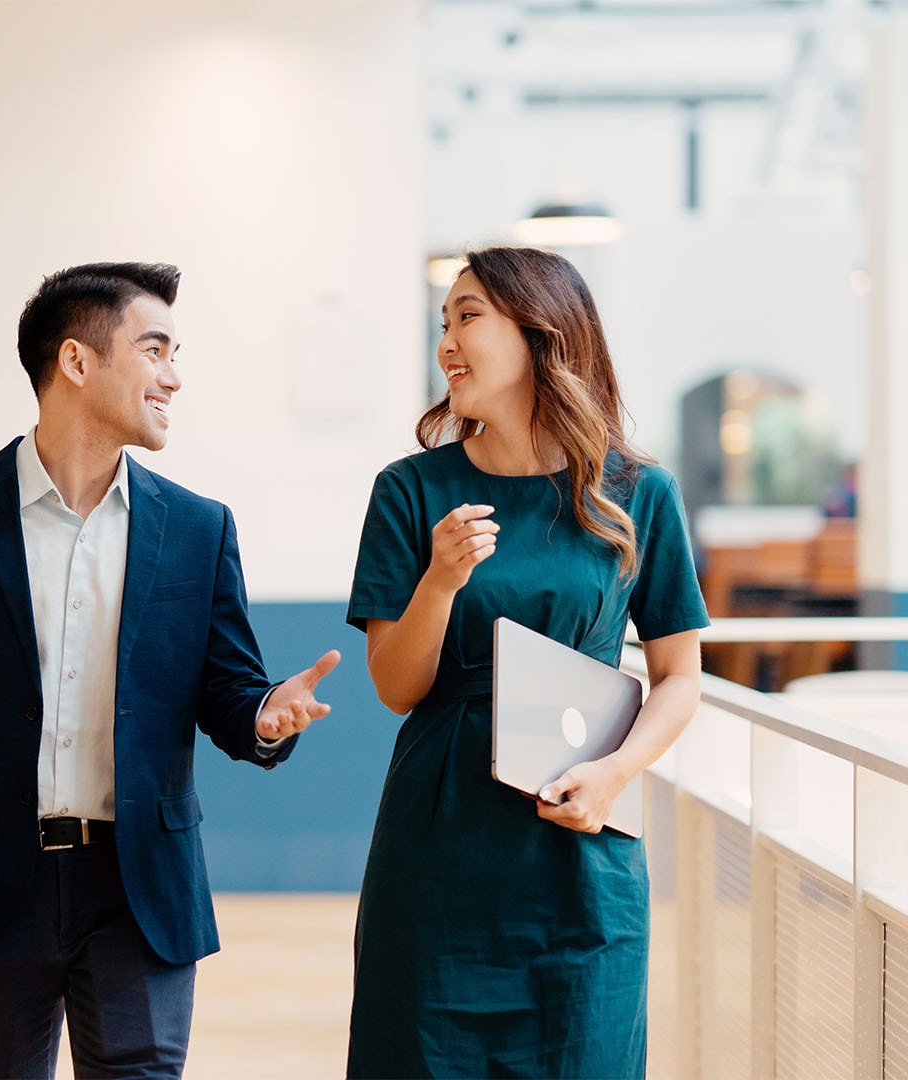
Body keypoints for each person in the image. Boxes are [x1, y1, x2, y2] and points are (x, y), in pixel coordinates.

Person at [0, 262, 340, 1079]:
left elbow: (227, 690)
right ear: (76, 361)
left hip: (137, 889)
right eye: (155, 350)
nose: (174, 377)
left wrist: (262, 715)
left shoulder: (196, 528)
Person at [344, 246, 707, 1078]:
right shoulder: (409, 491)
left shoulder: (638, 493)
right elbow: (396, 688)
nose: (446, 343)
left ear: (542, 332)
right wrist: (439, 581)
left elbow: (680, 678)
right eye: (443, 323)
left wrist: (615, 774)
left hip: (581, 852)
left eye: (468, 316)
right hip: (439, 854)